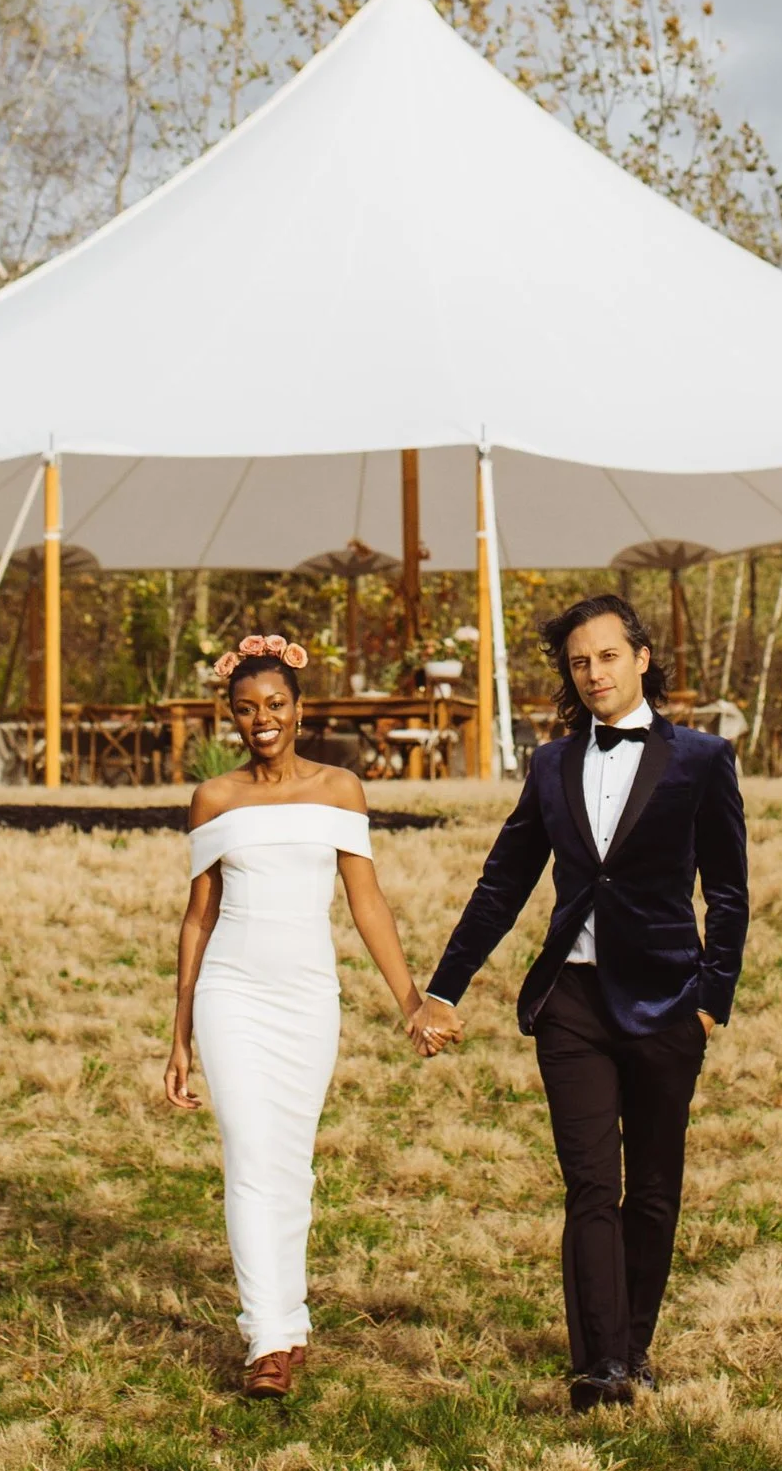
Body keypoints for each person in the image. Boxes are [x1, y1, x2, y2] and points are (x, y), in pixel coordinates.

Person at [410, 590, 749, 1412]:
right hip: (573, 1002)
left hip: (668, 1002)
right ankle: (599, 1366)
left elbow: (729, 890)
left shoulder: (701, 761)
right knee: (591, 1185)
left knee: (655, 1188)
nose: (593, 673)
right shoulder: (552, 765)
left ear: (640, 659)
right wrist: (442, 988)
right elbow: (504, 884)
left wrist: (712, 997)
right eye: (578, 662)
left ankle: (634, 1347)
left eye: (606, 656)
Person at [162, 634, 428, 1397]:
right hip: (232, 994)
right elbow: (197, 918)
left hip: (309, 997)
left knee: (291, 1161)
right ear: (232, 721)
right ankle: (265, 1340)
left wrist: (409, 998)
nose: (262, 720)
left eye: (275, 705)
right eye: (246, 711)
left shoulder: (340, 790)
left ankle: (290, 1316)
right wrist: (178, 1033)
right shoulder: (215, 800)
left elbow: (366, 901)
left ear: (299, 709)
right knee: (249, 1155)